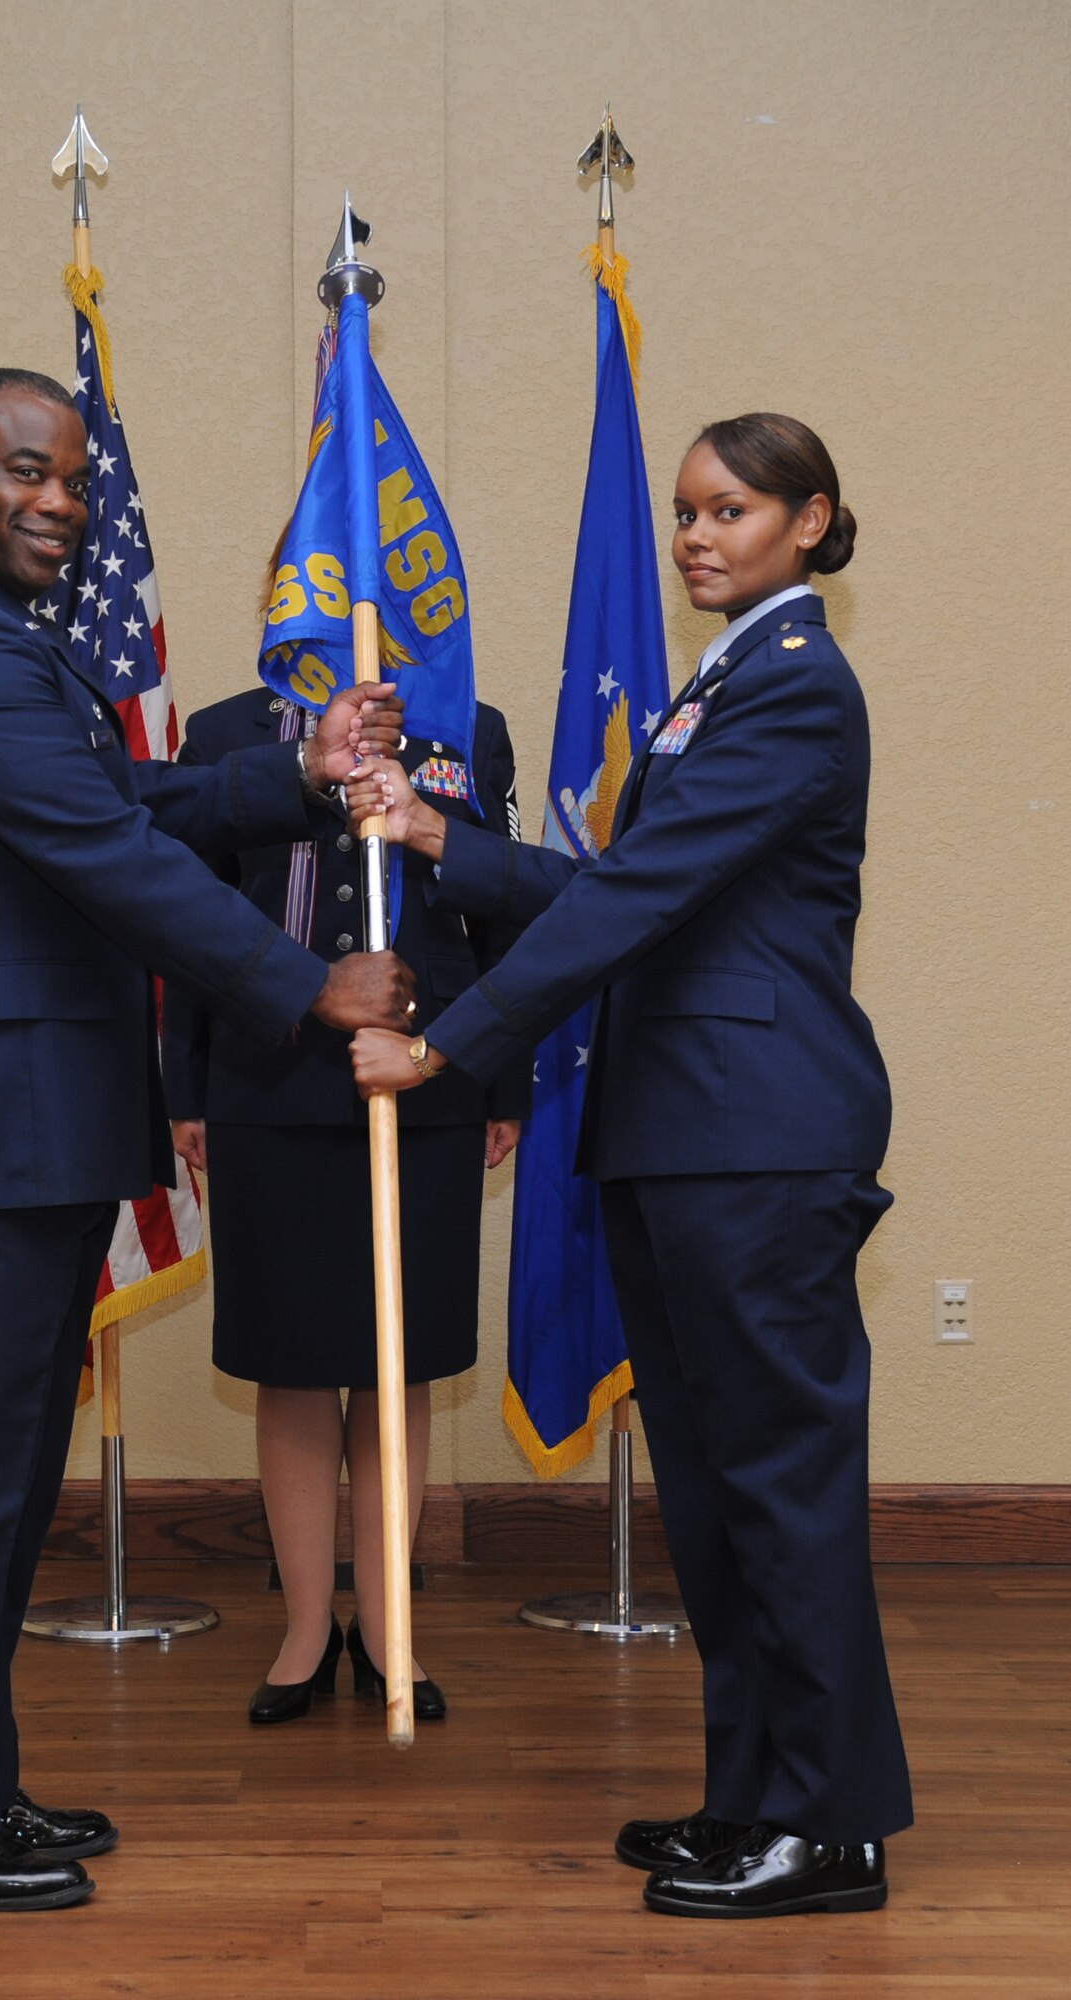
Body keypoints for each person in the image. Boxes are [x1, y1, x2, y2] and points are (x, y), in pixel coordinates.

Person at [0, 368, 414, 1913]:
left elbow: (122, 796)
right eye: (25, 472)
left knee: (2, 1484)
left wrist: (285, 770)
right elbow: (104, 856)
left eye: (74, 480)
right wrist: (305, 987)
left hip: (21, 1122)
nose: (60, 503)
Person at [347, 414, 912, 1919]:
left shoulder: (794, 689)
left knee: (778, 1490)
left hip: (757, 1131)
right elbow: (607, 886)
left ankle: (830, 1823)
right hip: (681, 1131)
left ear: (811, 521)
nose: (695, 538)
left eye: (731, 511)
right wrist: (434, 834)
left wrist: (445, 1044)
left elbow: (641, 899)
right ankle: (750, 1800)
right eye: (682, 514)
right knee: (720, 1499)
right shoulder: (717, 685)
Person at [160, 669, 529, 1724]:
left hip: (427, 1076)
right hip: (267, 1080)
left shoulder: (469, 725)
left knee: (396, 1360)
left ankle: (387, 1626)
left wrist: (502, 1077)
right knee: (289, 1362)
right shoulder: (228, 734)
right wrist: (186, 1086)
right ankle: (307, 1627)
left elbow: (500, 909)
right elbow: (187, 921)